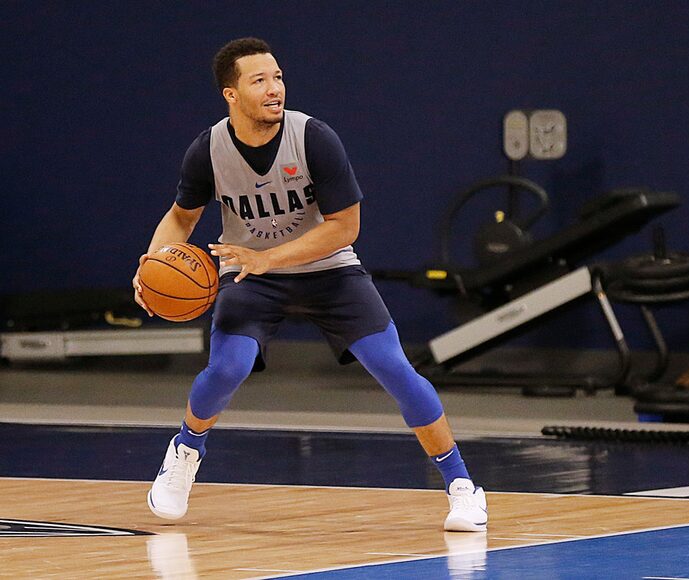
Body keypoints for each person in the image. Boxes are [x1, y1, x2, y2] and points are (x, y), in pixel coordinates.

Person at [133, 37, 487, 532]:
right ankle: (185, 450)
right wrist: (154, 261)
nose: (274, 88)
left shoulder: (314, 137)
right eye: (259, 80)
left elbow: (345, 226)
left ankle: (462, 487)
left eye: (277, 77)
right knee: (228, 367)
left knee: (396, 370)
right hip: (252, 274)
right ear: (231, 95)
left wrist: (268, 257)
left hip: (329, 269)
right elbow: (181, 216)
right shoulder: (207, 150)